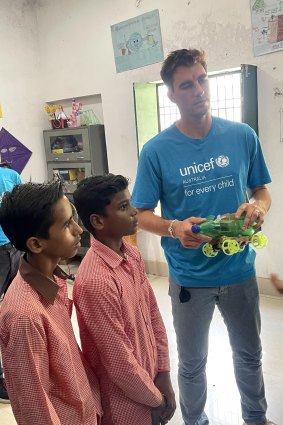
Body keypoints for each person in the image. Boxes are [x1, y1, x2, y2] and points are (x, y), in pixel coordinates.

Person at [131, 48, 274, 425]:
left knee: (249, 355)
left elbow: (262, 191)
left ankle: (256, 419)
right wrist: (174, 228)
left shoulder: (242, 136)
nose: (198, 90)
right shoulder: (156, 151)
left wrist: (258, 208)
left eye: (201, 79)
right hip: (189, 277)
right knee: (193, 364)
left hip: (240, 269)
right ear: (172, 95)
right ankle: (195, 422)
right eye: (186, 85)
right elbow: (140, 214)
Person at [72, 174, 176, 425]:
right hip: (124, 404)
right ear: (97, 220)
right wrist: (155, 399)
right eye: (123, 207)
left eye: (130, 203)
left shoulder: (131, 254)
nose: (134, 212)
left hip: (151, 381)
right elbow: (119, 362)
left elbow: (152, 315)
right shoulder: (96, 281)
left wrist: (163, 372)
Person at [0, 181, 102, 424]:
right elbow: (34, 406)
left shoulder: (52, 281)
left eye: (74, 218)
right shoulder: (25, 316)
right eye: (67, 224)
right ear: (36, 244)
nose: (79, 230)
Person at [0, 162, 22, 403]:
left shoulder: (11, 175)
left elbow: (23, 208)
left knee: (16, 309)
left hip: (14, 247)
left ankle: (19, 367)